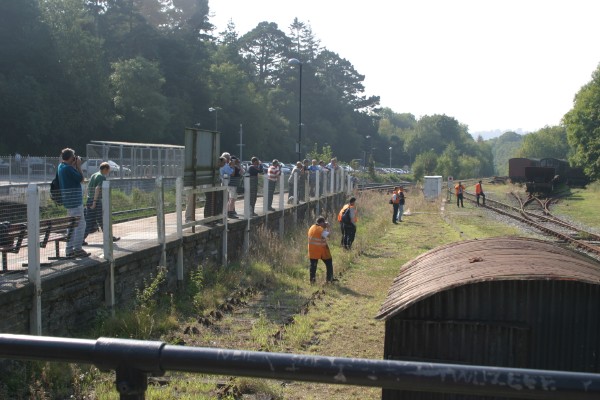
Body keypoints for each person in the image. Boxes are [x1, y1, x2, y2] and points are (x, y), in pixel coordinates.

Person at [58, 148, 89, 258]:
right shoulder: (68, 169)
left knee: (71, 225)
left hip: (68, 200)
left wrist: (73, 165)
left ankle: (69, 249)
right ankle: (78, 248)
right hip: (75, 201)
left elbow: (72, 176)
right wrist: (79, 166)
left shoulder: (61, 167)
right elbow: (81, 178)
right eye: (74, 157)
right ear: (71, 158)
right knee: (81, 225)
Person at [83, 162, 120, 245]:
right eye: (108, 170)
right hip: (95, 201)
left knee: (96, 220)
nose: (108, 172)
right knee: (93, 221)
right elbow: (97, 189)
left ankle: (109, 237)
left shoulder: (94, 175)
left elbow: (89, 188)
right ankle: (81, 240)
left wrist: (90, 200)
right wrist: (95, 202)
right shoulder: (101, 177)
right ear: (105, 169)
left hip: (90, 199)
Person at [307, 216, 337, 284]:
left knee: (313, 266)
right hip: (321, 251)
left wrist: (324, 227)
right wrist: (328, 227)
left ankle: (312, 281)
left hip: (312, 251)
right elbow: (329, 236)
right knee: (329, 263)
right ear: (321, 222)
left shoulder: (312, 227)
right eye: (324, 223)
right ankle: (329, 279)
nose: (325, 224)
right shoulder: (320, 230)